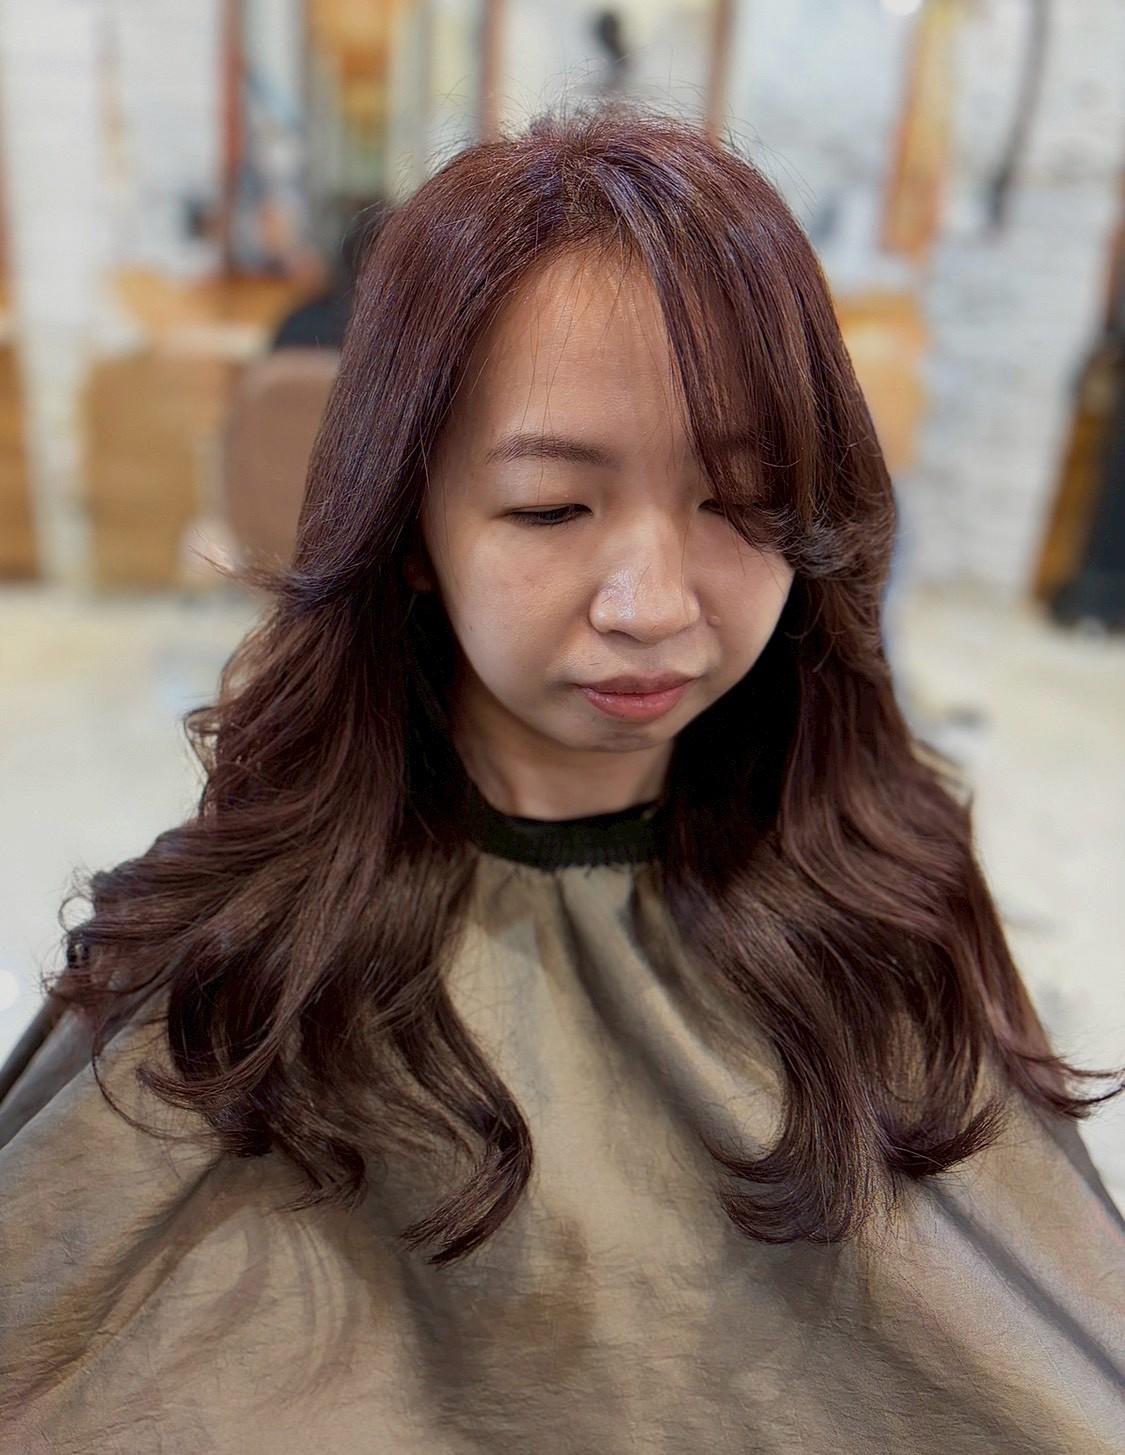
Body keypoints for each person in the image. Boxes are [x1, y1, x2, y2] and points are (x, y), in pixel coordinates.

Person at [1, 102, 1122, 1453]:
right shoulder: (248, 945)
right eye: (549, 509)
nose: (652, 607)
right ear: (407, 529)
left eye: (741, 504)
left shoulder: (884, 889)